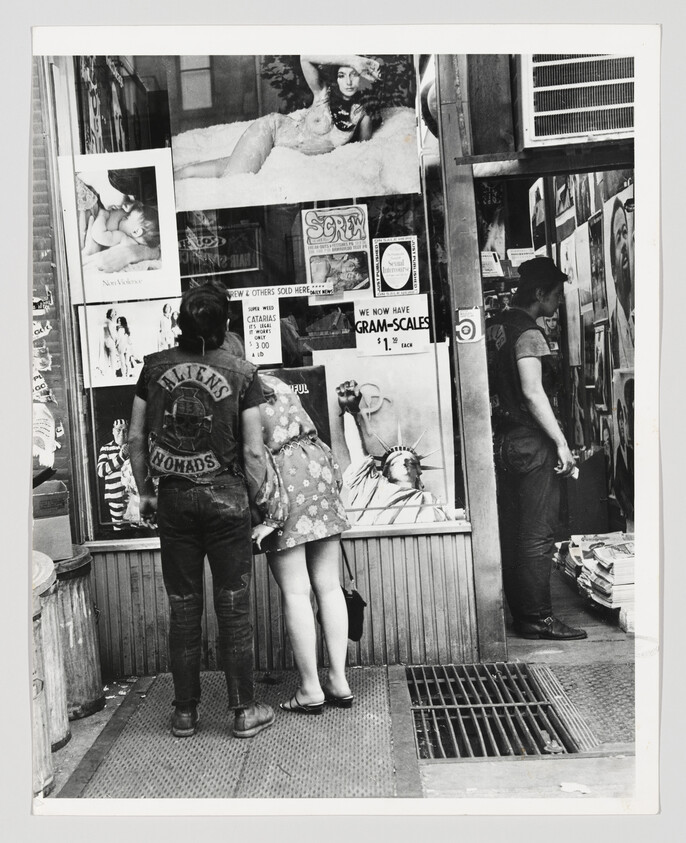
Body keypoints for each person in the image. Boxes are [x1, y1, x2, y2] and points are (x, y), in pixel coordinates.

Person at [128, 284, 277, 739]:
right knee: (233, 605)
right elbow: (253, 453)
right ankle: (243, 711)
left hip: (173, 497)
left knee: (183, 606)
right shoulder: (243, 373)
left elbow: (135, 440)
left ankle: (185, 714)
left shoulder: (152, 369)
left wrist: (147, 492)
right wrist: (256, 500)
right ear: (226, 324)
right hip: (227, 498)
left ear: (179, 322)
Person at [486, 256, 586, 640]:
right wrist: (561, 443)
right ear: (540, 293)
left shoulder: (495, 326)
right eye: (557, 294)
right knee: (536, 534)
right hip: (530, 442)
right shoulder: (529, 333)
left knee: (514, 531)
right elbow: (532, 392)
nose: (559, 301)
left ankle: (522, 613)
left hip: (503, 441)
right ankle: (538, 619)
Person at [251, 373, 353, 714]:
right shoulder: (274, 381)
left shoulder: (239, 391)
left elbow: (254, 454)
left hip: (283, 481)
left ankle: (311, 688)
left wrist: (268, 515)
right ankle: (338, 680)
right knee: (329, 586)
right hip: (316, 468)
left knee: (296, 592)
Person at [174, 55, 381, 180]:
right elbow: (305, 58)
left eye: (354, 74)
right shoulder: (323, 95)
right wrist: (353, 60)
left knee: (192, 172)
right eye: (342, 74)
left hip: (276, 151)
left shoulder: (361, 115)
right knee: (236, 180)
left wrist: (351, 127)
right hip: (271, 131)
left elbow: (356, 155)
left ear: (363, 77)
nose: (348, 81)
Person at [335, 380, 451, 525]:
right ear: (386, 472)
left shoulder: (430, 500)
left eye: (411, 461)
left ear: (419, 472)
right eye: (396, 461)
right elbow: (358, 454)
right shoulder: (373, 491)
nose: (404, 462)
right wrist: (349, 411)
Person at [82, 201, 160, 261]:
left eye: (127, 218)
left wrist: (102, 215)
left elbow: (99, 236)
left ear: (136, 232)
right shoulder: (130, 240)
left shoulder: (124, 239)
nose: (123, 218)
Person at [609, 198, 635, 368]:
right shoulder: (614, 324)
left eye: (625, 233)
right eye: (619, 237)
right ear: (613, 269)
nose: (625, 243)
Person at [96, 418, 130, 531]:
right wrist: (121, 457)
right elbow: (101, 471)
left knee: (135, 529)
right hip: (115, 497)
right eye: (119, 430)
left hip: (133, 498)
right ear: (113, 431)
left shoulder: (134, 446)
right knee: (119, 529)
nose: (122, 433)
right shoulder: (106, 448)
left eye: (125, 430)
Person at [613, 399, 634, 523]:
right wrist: (626, 507)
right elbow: (617, 485)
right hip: (629, 512)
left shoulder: (631, 451)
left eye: (623, 419)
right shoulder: (619, 452)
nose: (621, 424)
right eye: (619, 419)